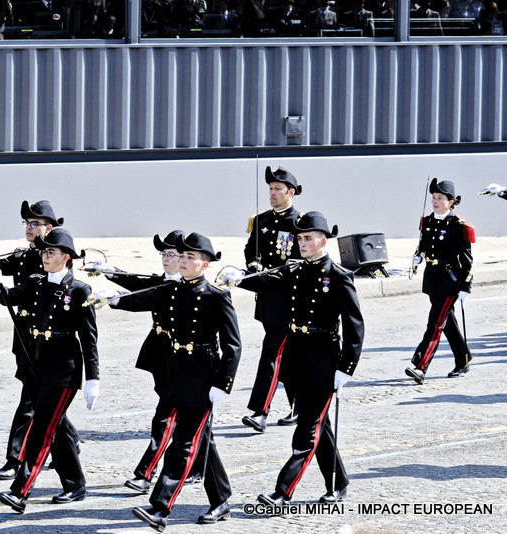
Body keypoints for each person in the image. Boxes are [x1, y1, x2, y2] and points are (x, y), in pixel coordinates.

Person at [220, 211, 364, 508]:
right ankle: (339, 483)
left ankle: (282, 492)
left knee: (307, 430)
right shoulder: (295, 270)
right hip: (297, 359)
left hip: (325, 361)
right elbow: (267, 281)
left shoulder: (339, 277)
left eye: (308, 238)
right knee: (318, 425)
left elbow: (355, 326)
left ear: (323, 241)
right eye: (299, 238)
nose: (302, 243)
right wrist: (240, 279)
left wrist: (346, 367)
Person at [99, 232, 241, 531]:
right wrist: (111, 300)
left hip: (203, 376)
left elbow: (232, 345)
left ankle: (160, 508)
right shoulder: (173, 289)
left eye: (191, 257)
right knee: (202, 440)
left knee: (184, 443)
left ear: (204, 265)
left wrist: (222, 383)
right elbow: (142, 297)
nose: (184, 261)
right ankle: (221, 500)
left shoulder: (217, 296)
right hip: (176, 372)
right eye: (183, 256)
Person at [88, 231, 204, 493]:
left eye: (171, 254)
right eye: (163, 254)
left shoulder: (182, 287)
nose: (166, 258)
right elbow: (139, 282)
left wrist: (115, 298)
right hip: (161, 353)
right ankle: (197, 466)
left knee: (166, 415)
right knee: (191, 417)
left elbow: (143, 297)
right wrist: (109, 271)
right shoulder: (165, 281)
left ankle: (145, 474)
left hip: (184, 360)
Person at [0, 228, 100, 514]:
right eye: (43, 252)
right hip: (36, 366)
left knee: (41, 427)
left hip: (63, 370)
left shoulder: (79, 290)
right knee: (57, 425)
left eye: (50, 252)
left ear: (66, 258)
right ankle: (75, 483)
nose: (44, 256)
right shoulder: (35, 283)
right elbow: (7, 299)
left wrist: (93, 377)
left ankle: (21, 491)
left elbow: (89, 338)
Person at [0, 200, 80, 481]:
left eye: (34, 224)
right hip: (24, 337)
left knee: (32, 400)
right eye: (26, 224)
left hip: (45, 341)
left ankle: (16, 458)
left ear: (49, 228)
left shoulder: (57, 259)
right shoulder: (22, 256)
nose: (28, 228)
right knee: (45, 402)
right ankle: (70, 443)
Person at [239, 166, 303, 434]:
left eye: (277, 189)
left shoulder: (300, 223)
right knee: (284, 359)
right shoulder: (262, 221)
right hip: (266, 300)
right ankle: (300, 406)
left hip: (287, 301)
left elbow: (299, 262)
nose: (272, 193)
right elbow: (250, 250)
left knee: (271, 355)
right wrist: (253, 265)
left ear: (290, 193)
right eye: (270, 189)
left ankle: (260, 411)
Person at [407, 179, 475, 384]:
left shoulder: (458, 226)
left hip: (450, 280)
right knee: (447, 323)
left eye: (440, 198)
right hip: (432, 278)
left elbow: (467, 260)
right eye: (434, 198)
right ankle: (464, 358)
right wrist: (419, 256)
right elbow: (424, 244)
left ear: (451, 202)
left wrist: (465, 286)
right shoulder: (427, 221)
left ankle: (420, 366)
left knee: (435, 323)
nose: (435, 201)